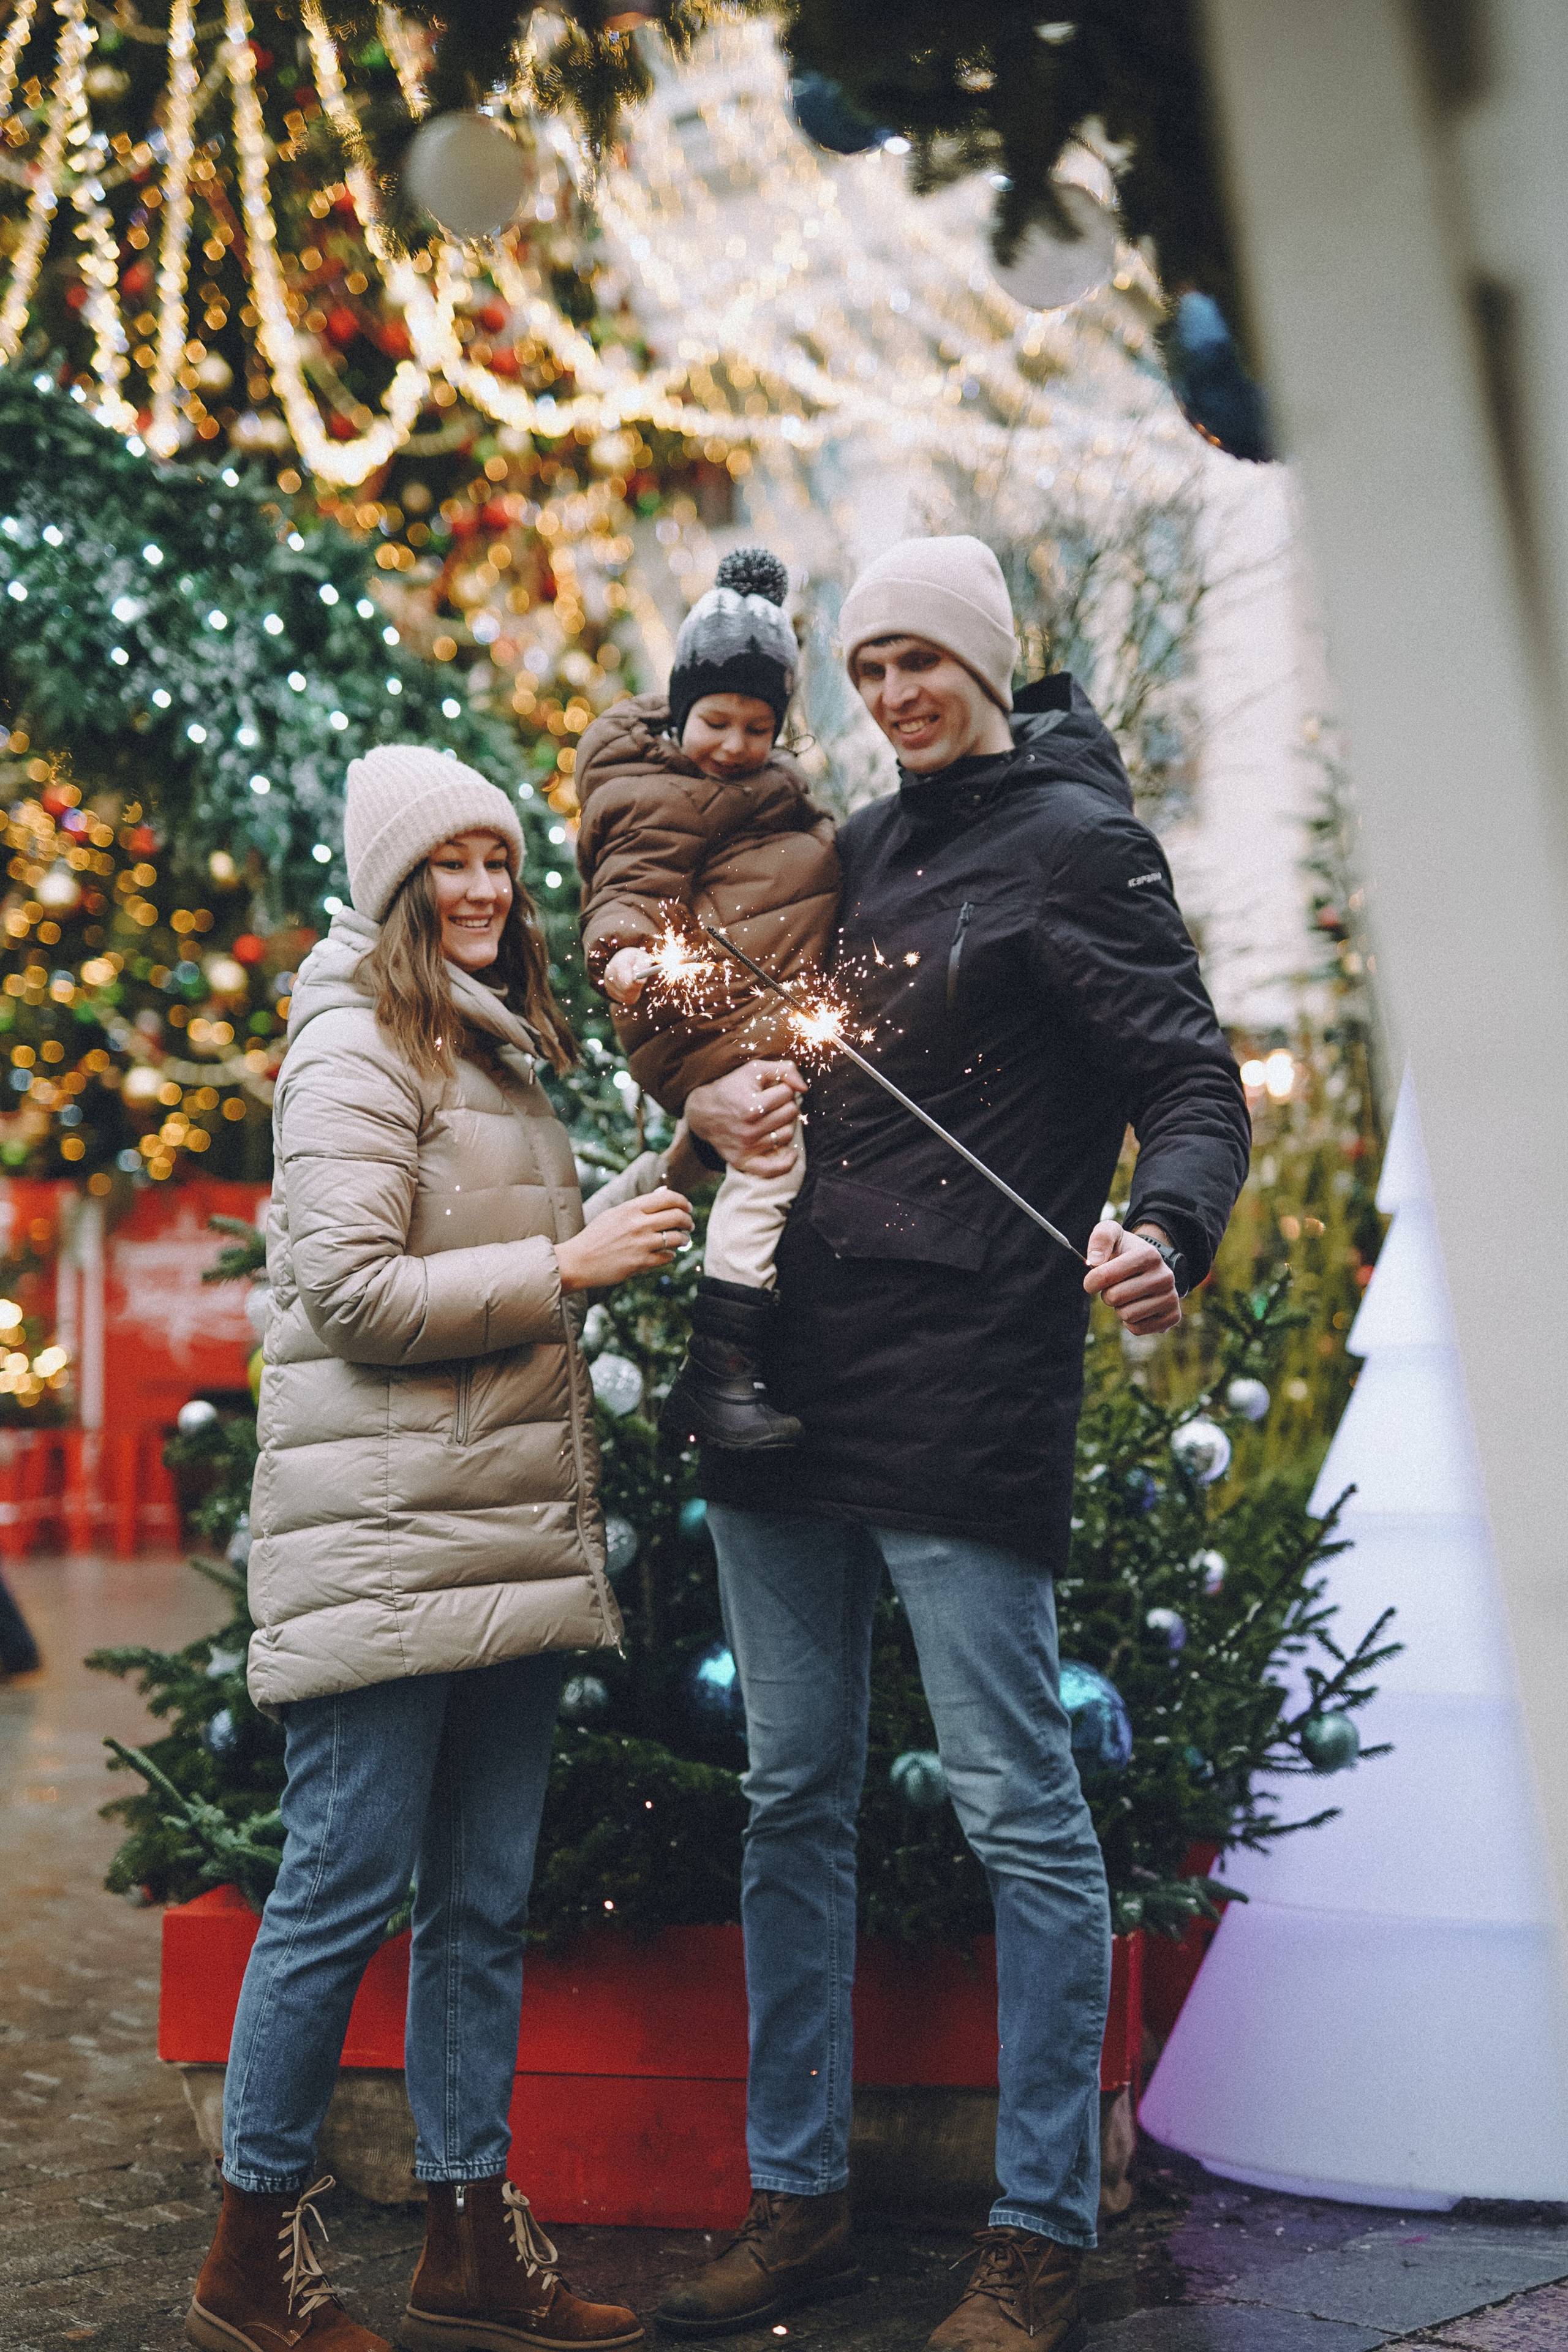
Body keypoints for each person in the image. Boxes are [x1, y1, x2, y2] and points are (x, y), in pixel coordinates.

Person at [659, 538, 1251, 2352]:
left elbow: (1190, 1079)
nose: (894, 693)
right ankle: (798, 2199)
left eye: (920, 659)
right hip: (780, 1373)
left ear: (989, 659)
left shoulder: (1077, 845)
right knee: (789, 1795)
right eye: (867, 668)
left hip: (967, 1377)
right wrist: (704, 1095)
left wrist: (1171, 1228)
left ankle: (1039, 2226)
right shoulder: (856, 842)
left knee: (1015, 1805)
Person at [187, 744, 699, 2352]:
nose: (481, 888)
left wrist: (687, 1158)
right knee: (339, 1889)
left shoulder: (487, 1040)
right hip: (387, 1544)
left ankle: (470, 2236)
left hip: (501, 1536)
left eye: (497, 861)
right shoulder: (352, 1044)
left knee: (480, 1900)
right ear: (394, 883)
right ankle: (247, 2255)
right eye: (448, 864)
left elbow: (533, 1246)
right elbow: (351, 1296)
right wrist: (568, 1270)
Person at [575, 546, 840, 1451]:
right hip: (693, 1016)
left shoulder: (761, 790)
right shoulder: (658, 793)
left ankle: (731, 1363)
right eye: (716, 721)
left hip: (750, 1009)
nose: (733, 744)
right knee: (772, 1161)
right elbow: (629, 882)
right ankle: (717, 1372)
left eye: (757, 728)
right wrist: (622, 955)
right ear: (680, 710)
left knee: (776, 1152)